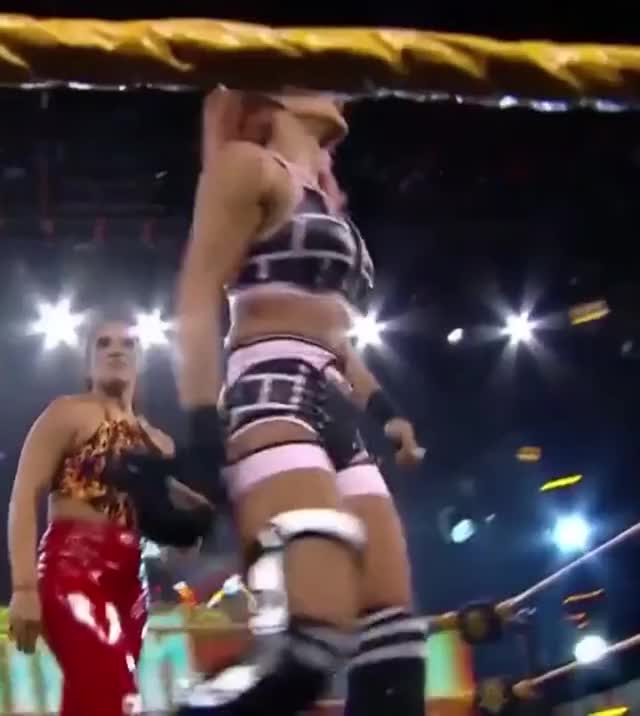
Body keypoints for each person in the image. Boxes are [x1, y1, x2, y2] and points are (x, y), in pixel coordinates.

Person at [171, 89, 427, 716]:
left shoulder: (326, 201)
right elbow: (198, 295)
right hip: (271, 390)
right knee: (314, 640)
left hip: (333, 399)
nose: (341, 87)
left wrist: (386, 409)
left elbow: (335, 334)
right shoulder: (247, 166)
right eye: (321, 71)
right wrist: (202, 429)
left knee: (393, 639)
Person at [7, 317, 212, 716]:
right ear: (88, 362)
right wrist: (24, 587)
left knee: (90, 704)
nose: (115, 349)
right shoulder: (66, 413)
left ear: (141, 359)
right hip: (73, 570)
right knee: (118, 697)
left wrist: (194, 523)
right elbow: (24, 495)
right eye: (103, 343)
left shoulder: (159, 443)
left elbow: (177, 534)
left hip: (132, 584)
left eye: (127, 343)